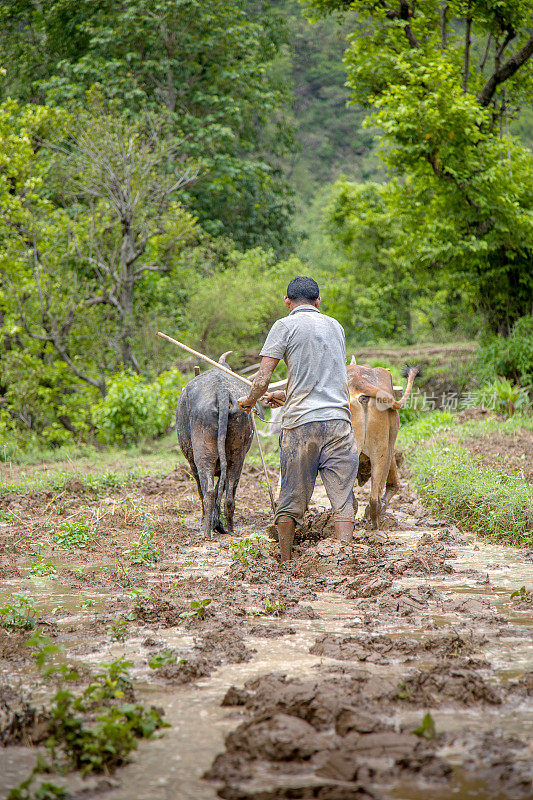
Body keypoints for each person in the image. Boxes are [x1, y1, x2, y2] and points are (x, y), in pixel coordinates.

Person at [238, 276, 359, 562]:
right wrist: (285, 392)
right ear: (318, 302)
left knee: (291, 496)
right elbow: (324, 376)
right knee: (342, 498)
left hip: (301, 427)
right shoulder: (335, 326)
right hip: (339, 424)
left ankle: (286, 561)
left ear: (287, 302)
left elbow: (262, 378)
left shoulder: (284, 325)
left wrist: (250, 400)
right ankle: (344, 557)